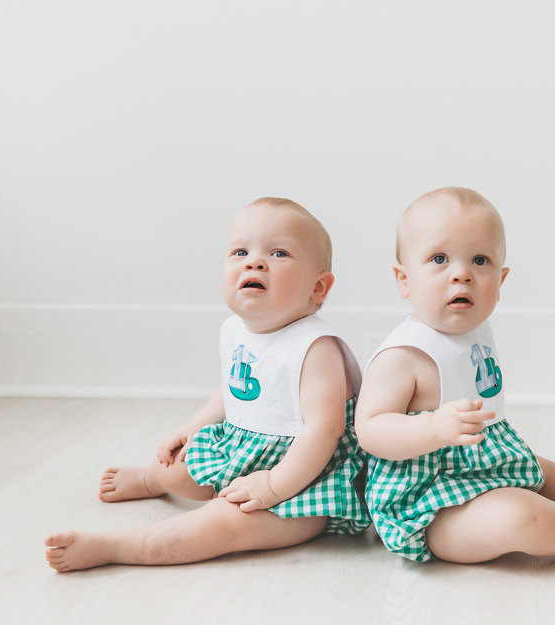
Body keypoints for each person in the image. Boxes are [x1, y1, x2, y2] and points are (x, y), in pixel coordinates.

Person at [46, 197, 369, 572]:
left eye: (278, 253)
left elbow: (324, 431)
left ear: (318, 288)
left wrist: (274, 486)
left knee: (225, 523)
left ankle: (114, 547)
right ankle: (153, 481)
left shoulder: (316, 348)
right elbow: (234, 388)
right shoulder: (236, 330)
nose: (255, 262)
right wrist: (194, 425)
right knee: (177, 466)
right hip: (245, 449)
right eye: (240, 251)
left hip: (305, 478)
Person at [355, 187, 555, 564]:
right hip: (429, 504)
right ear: (404, 279)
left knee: (542, 471)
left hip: (486, 460)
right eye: (439, 258)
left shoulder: (475, 329)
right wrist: (434, 429)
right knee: (521, 515)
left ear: (501, 282)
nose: (462, 274)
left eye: (479, 260)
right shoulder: (404, 354)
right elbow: (370, 430)